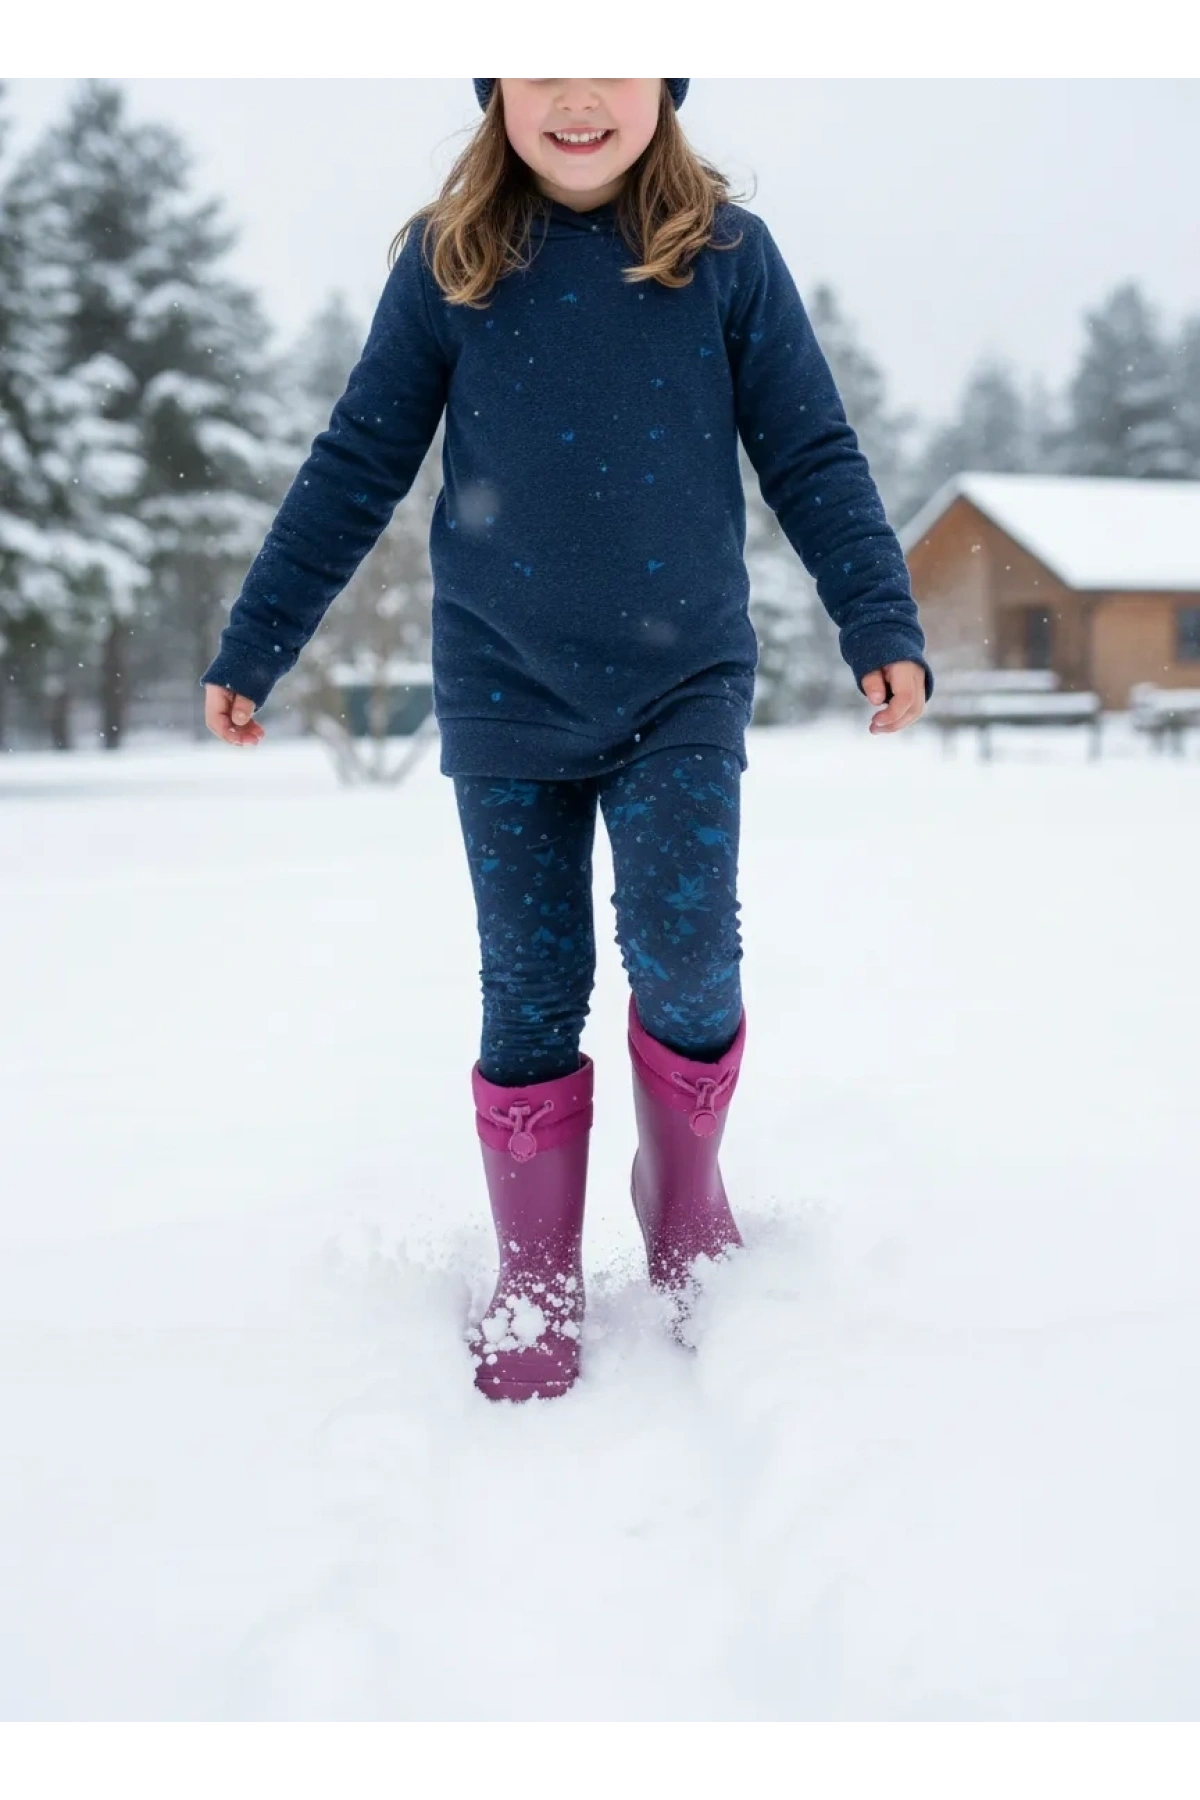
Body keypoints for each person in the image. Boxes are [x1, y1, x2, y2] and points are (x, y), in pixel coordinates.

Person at [201, 73, 934, 1404]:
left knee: (687, 950)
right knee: (530, 986)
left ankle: (684, 1198)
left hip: (682, 681)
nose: (579, 94)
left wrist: (876, 612)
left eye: (615, 55)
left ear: (665, 82)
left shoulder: (725, 257)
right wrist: (259, 641)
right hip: (506, 688)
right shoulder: (452, 260)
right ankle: (535, 1271)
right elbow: (359, 459)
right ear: (495, 88)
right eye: (542, 59)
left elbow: (812, 450)